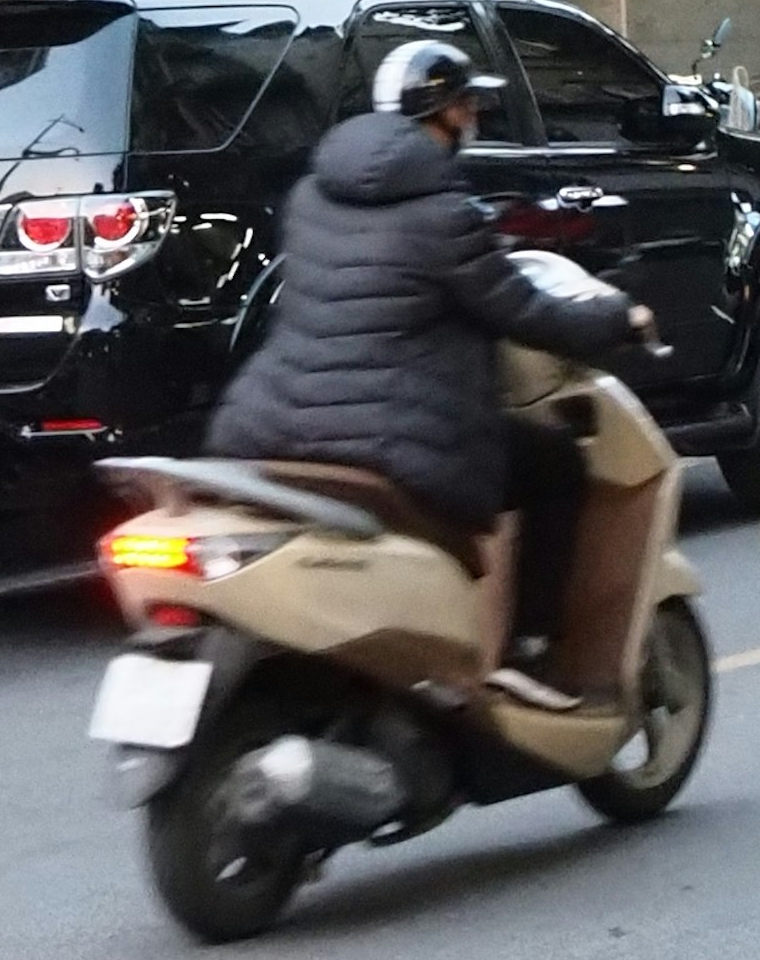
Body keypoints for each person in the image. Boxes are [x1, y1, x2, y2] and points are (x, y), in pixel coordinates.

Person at [208, 35, 641, 697]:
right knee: (555, 467)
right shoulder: (446, 216)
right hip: (393, 445)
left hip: (269, 427)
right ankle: (528, 649)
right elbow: (527, 314)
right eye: (467, 108)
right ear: (441, 115)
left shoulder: (309, 199)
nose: (474, 121)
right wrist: (619, 320)